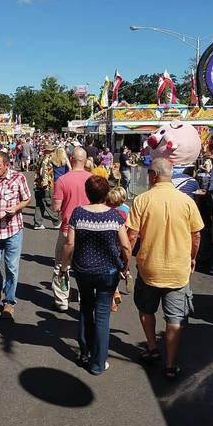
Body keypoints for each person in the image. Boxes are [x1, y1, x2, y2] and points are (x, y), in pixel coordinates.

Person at [127, 158, 204, 379]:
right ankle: (170, 365)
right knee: (175, 319)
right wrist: (192, 257)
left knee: (146, 309)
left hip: (148, 266)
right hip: (178, 269)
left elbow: (131, 235)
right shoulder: (186, 201)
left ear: (153, 175)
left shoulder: (142, 200)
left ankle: (152, 348)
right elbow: (196, 235)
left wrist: (125, 261)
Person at [59, 176, 131, 374]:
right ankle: (98, 363)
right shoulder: (115, 216)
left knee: (85, 308)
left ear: (87, 193)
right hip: (108, 271)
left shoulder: (78, 213)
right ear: (106, 193)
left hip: (84, 270)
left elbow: (69, 243)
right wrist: (126, 266)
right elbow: (125, 245)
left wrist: (64, 266)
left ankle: (85, 352)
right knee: (102, 315)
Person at [0, 151, 31, 319]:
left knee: (11, 267)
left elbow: (27, 199)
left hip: (13, 230)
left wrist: (17, 208)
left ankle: (9, 302)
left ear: (6, 165)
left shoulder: (18, 178)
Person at [51, 147, 91, 311]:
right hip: (90, 228)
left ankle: (62, 300)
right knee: (86, 266)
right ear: (85, 160)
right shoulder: (93, 179)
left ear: (71, 159)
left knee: (62, 264)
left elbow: (55, 207)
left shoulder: (62, 180)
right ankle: (85, 298)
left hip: (68, 228)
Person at [106, 186, 133, 311]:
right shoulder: (126, 209)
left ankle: (114, 293)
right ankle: (127, 273)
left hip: (112, 242)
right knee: (121, 263)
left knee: (111, 268)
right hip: (124, 240)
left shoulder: (109, 212)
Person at [34, 143, 60, 230]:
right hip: (44, 185)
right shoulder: (46, 159)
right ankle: (56, 222)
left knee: (39, 204)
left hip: (38, 185)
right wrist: (45, 185)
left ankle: (38, 223)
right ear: (48, 151)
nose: (53, 152)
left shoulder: (41, 158)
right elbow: (43, 172)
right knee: (48, 203)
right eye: (52, 151)